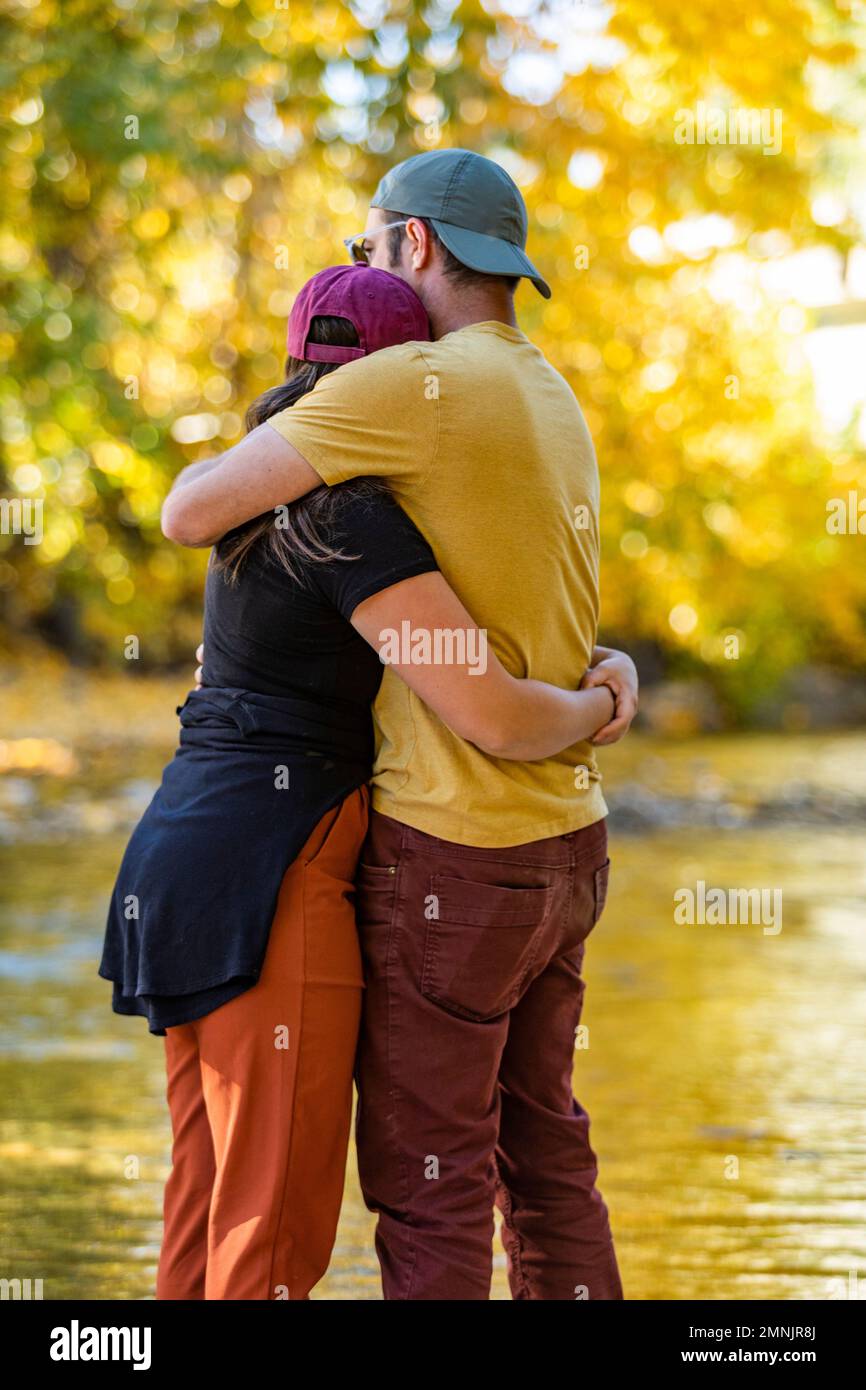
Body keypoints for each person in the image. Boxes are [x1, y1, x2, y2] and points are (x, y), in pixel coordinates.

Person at [162, 148, 638, 1300]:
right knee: (548, 1159)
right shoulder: (547, 390)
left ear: (414, 244)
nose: (367, 271)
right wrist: (604, 697)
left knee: (430, 1186)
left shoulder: (406, 384)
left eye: (369, 247)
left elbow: (190, 510)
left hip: (454, 847)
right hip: (569, 849)